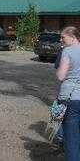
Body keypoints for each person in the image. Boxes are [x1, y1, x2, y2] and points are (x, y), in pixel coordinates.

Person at [56, 26, 80, 161]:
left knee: (71, 138)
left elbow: (60, 76)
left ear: (73, 37)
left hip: (71, 99)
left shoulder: (67, 51)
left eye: (63, 37)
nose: (61, 39)